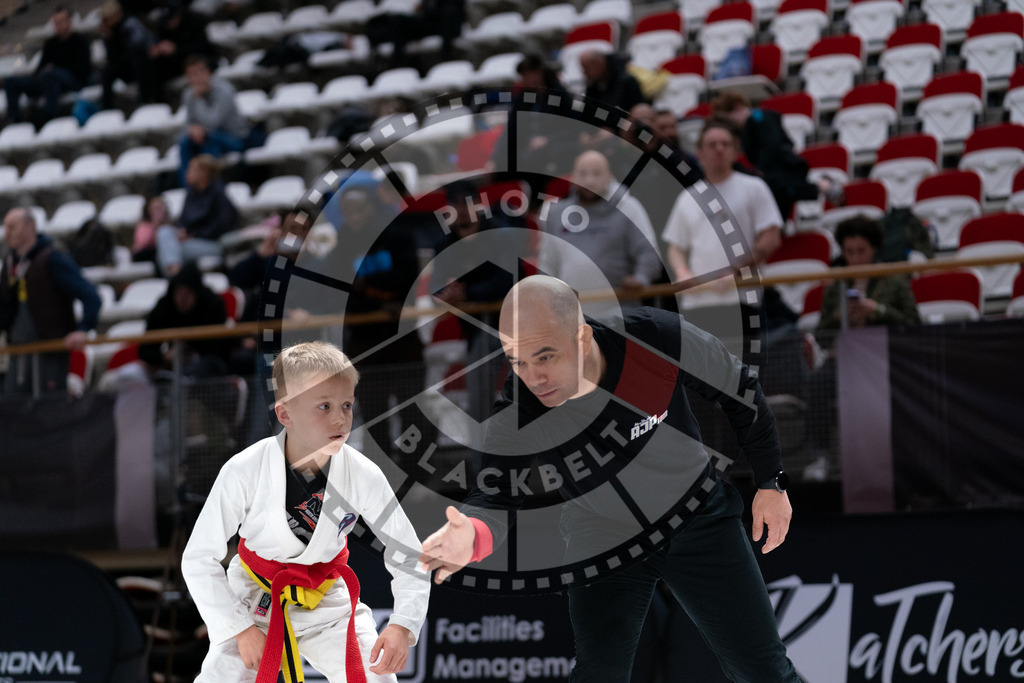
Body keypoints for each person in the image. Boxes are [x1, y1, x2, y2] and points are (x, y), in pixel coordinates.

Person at [418, 275, 800, 681]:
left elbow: (738, 388)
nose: (533, 377)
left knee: (764, 671)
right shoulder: (520, 406)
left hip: (696, 514)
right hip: (602, 534)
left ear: (581, 338)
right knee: (598, 675)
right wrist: (473, 535)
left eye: (545, 357)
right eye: (517, 360)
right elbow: (496, 492)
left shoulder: (651, 337)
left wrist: (770, 480)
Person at [181, 341, 429, 682]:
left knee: (377, 678)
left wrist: (403, 623)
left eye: (346, 405)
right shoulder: (244, 470)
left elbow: (409, 552)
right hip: (256, 598)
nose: (340, 418)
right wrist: (238, 629)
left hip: (326, 598)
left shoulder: (362, 473)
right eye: (324, 406)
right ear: (286, 414)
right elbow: (197, 558)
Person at [800, 216, 920, 481]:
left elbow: (913, 323)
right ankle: (820, 457)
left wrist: (877, 310)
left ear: (874, 248)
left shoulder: (894, 279)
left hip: (885, 359)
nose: (855, 258)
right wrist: (839, 317)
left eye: (861, 251)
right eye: (850, 252)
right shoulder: (835, 286)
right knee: (818, 383)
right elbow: (822, 334)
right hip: (845, 360)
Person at [662, 118, 783, 328]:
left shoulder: (754, 187)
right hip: (698, 301)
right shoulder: (687, 197)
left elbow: (771, 237)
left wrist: (736, 270)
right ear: (699, 152)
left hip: (742, 298)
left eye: (725, 144)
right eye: (712, 144)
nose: (719, 149)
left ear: (736, 151)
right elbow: (675, 247)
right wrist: (682, 271)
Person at [538, 149, 663, 319]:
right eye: (583, 174)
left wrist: (641, 278)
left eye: (597, 173)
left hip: (621, 312)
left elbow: (648, 252)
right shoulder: (556, 214)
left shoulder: (629, 207)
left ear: (609, 176)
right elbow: (547, 264)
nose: (589, 180)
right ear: (573, 176)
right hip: (571, 315)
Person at [0, 208, 101, 394]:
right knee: (14, 411)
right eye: (5, 227)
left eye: (12, 226)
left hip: (49, 352)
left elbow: (91, 295)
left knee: (49, 410)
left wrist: (84, 329)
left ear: (30, 227)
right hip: (17, 353)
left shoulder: (52, 259)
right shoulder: (9, 263)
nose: (7, 232)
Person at [710, 91, 841, 220]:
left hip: (784, 169)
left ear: (737, 107)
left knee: (776, 191)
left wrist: (760, 170)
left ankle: (823, 185)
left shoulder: (758, 117)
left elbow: (772, 143)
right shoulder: (747, 132)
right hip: (775, 173)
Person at [3, 6, 92, 126]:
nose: (58, 25)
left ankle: (48, 115)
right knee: (11, 81)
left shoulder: (80, 41)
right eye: (55, 22)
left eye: (61, 21)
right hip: (48, 79)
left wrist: (55, 70)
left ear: (69, 21)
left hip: (72, 80)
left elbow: (82, 70)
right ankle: (15, 119)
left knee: (51, 74)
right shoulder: (51, 43)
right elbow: (41, 67)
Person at [156, 155, 238, 277]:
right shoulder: (191, 193)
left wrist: (194, 234)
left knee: (164, 253)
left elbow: (223, 225)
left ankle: (177, 280)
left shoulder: (219, 194)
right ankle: (177, 276)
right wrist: (182, 232)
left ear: (203, 172)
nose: (187, 172)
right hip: (191, 242)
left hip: (212, 244)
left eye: (191, 168)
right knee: (164, 232)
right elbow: (183, 221)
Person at [177, 54, 249, 185]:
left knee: (209, 140)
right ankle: (188, 189)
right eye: (192, 74)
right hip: (208, 136)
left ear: (208, 72)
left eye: (200, 72)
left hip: (234, 138)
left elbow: (213, 121)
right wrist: (192, 130)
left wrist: (198, 99)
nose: (197, 77)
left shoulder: (224, 90)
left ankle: (212, 187)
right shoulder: (188, 94)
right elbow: (188, 123)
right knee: (184, 142)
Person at [150, 0, 215, 100]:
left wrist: (176, 49)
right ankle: (155, 102)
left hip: (200, 58)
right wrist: (158, 50)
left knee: (198, 65)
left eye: (172, 19)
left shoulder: (196, 20)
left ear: (178, 15)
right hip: (177, 63)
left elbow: (201, 48)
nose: (170, 23)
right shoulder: (163, 26)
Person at [98, 0, 156, 110]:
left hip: (142, 64)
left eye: (108, 18)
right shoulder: (110, 31)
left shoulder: (131, 24)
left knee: (139, 63)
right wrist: (109, 40)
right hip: (125, 66)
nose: (106, 21)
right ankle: (106, 108)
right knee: (107, 71)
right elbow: (112, 58)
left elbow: (137, 49)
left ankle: (145, 101)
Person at [131, 194, 168, 263]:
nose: (158, 212)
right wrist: (155, 226)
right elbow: (143, 243)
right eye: (155, 208)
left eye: (160, 208)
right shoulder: (143, 226)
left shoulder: (169, 225)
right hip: (144, 253)